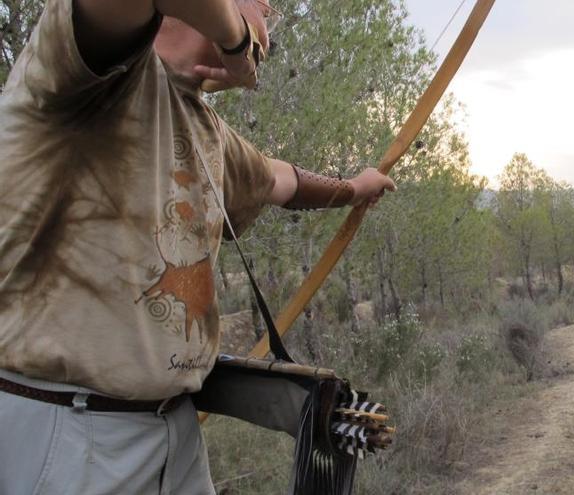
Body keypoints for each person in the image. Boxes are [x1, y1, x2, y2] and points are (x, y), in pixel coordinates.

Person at [0, 0, 396, 493]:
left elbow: (276, 179)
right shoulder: (88, 71)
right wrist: (236, 38)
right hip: (73, 430)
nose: (269, 9)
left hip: (171, 429)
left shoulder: (204, 126)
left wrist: (355, 188)